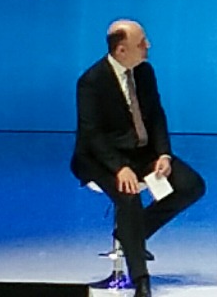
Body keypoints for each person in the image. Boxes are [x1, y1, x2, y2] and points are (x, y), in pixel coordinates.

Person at [69, 20, 206, 297]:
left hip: (140, 153)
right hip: (100, 158)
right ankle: (141, 279)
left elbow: (155, 115)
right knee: (129, 197)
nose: (148, 46)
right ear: (121, 50)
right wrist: (119, 167)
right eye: (141, 42)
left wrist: (163, 154)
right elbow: (92, 134)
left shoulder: (144, 71)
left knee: (191, 185)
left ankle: (131, 235)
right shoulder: (91, 82)